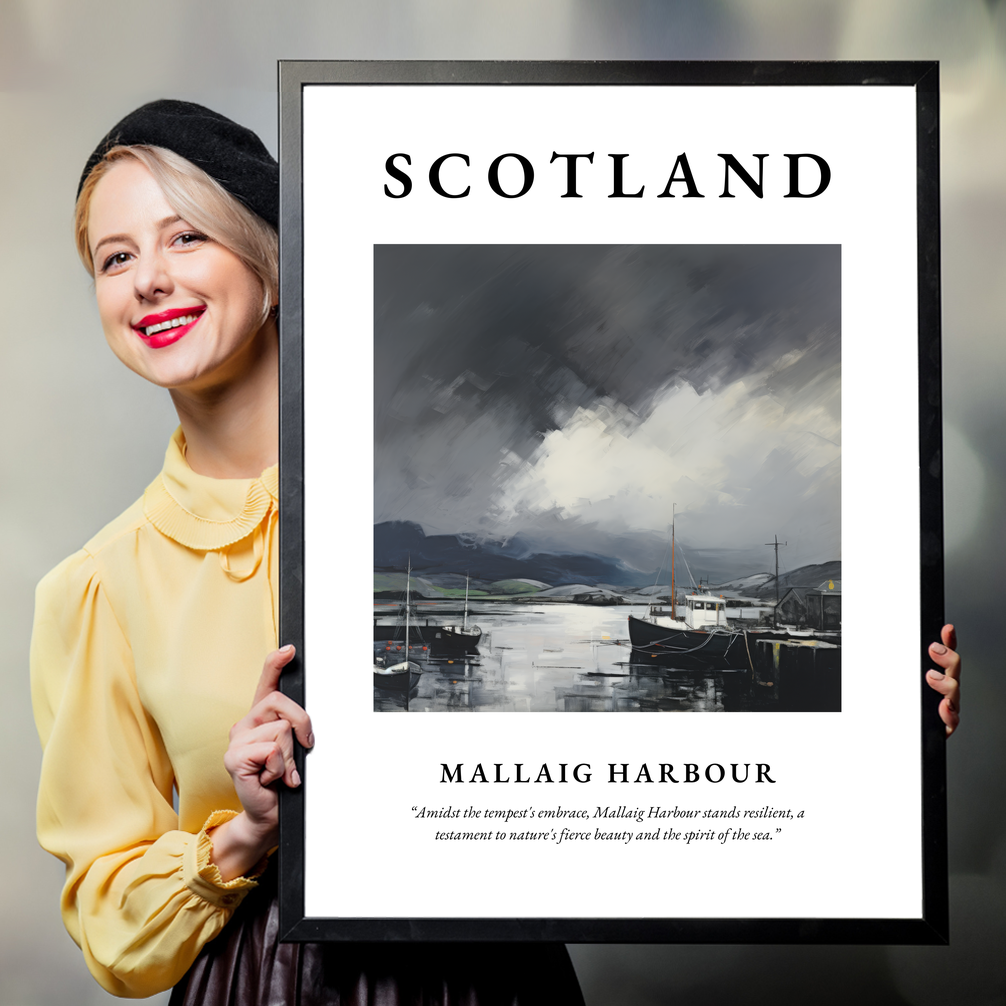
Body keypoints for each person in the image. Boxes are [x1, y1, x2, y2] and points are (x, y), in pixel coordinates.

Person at [30, 100, 585, 1004]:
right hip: (264, 981)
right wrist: (245, 833)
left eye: (186, 237)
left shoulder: (444, 504)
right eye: (115, 258)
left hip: (491, 972)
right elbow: (110, 924)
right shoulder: (97, 587)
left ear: (274, 263)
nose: (149, 281)